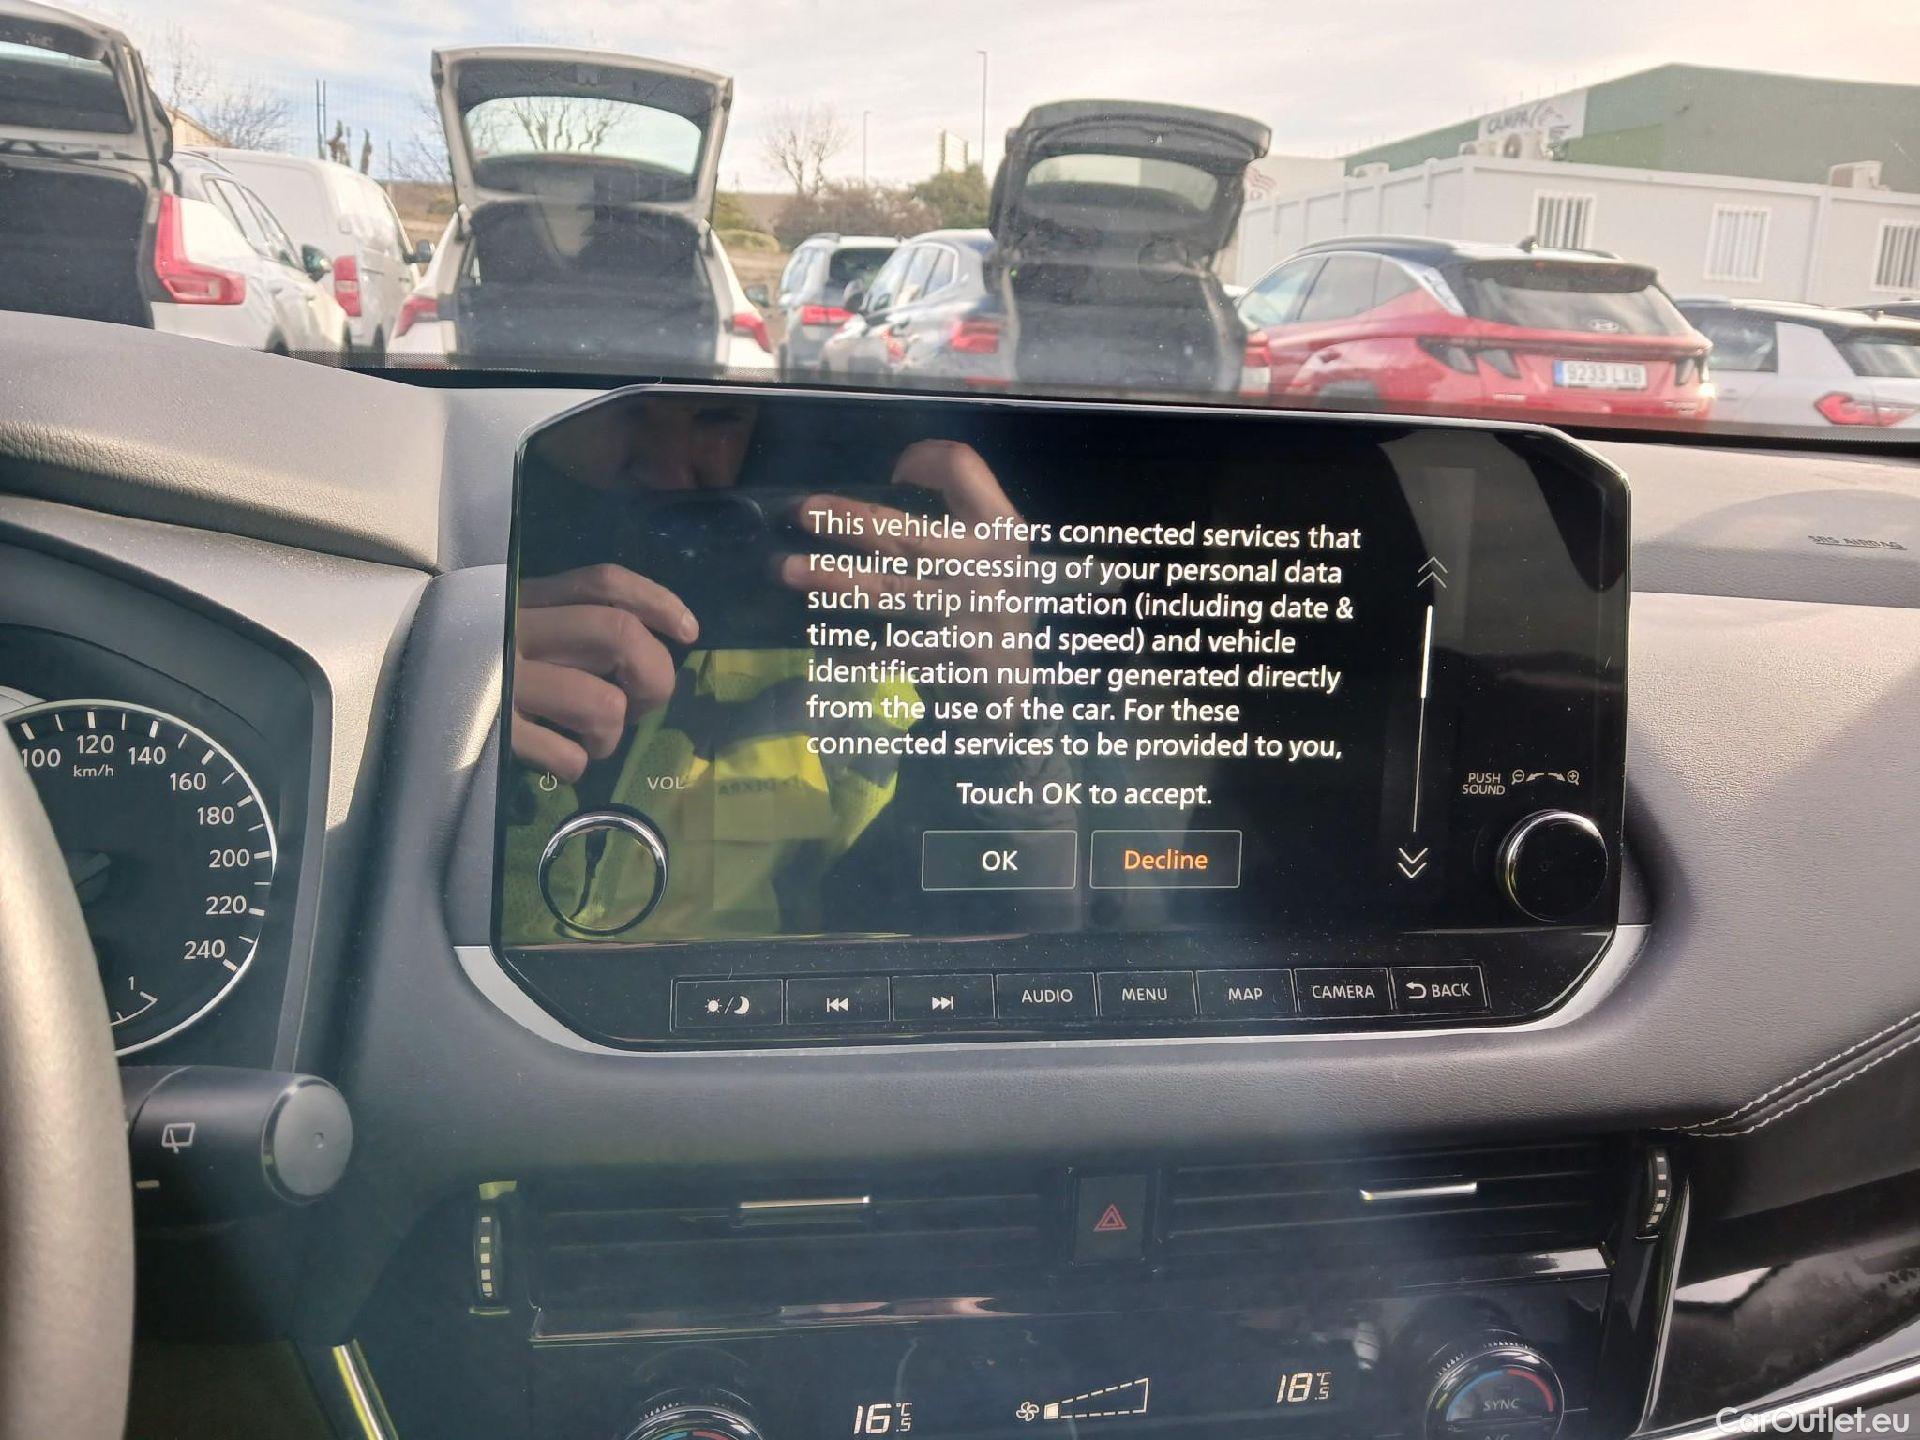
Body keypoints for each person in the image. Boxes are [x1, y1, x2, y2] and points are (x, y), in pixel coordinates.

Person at [502, 393, 1070, 943]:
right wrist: (470, 705)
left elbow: (983, 945)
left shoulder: (865, 675)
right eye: (625, 413)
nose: (674, 472)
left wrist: (998, 737)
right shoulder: (483, 592)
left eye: (718, 415)